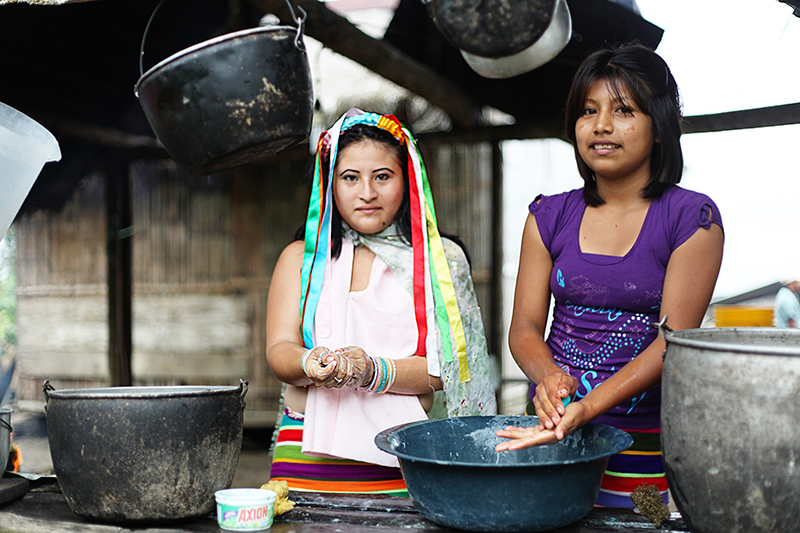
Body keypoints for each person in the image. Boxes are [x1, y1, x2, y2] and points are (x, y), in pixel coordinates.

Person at [495, 43, 724, 509]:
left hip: (646, 442)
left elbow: (673, 341)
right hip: (552, 430)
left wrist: (589, 406)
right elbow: (523, 329)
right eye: (588, 111)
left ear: (659, 126)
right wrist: (551, 380)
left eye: (623, 111)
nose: (601, 126)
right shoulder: (548, 216)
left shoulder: (691, 219)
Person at [265, 109, 496, 496]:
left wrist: (371, 371)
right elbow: (279, 350)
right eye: (350, 178)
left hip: (404, 455)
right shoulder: (301, 259)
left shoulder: (440, 261)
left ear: (408, 179)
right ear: (329, 184)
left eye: (383, 177)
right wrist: (312, 362)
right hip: (305, 452)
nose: (367, 193)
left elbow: (452, 371)